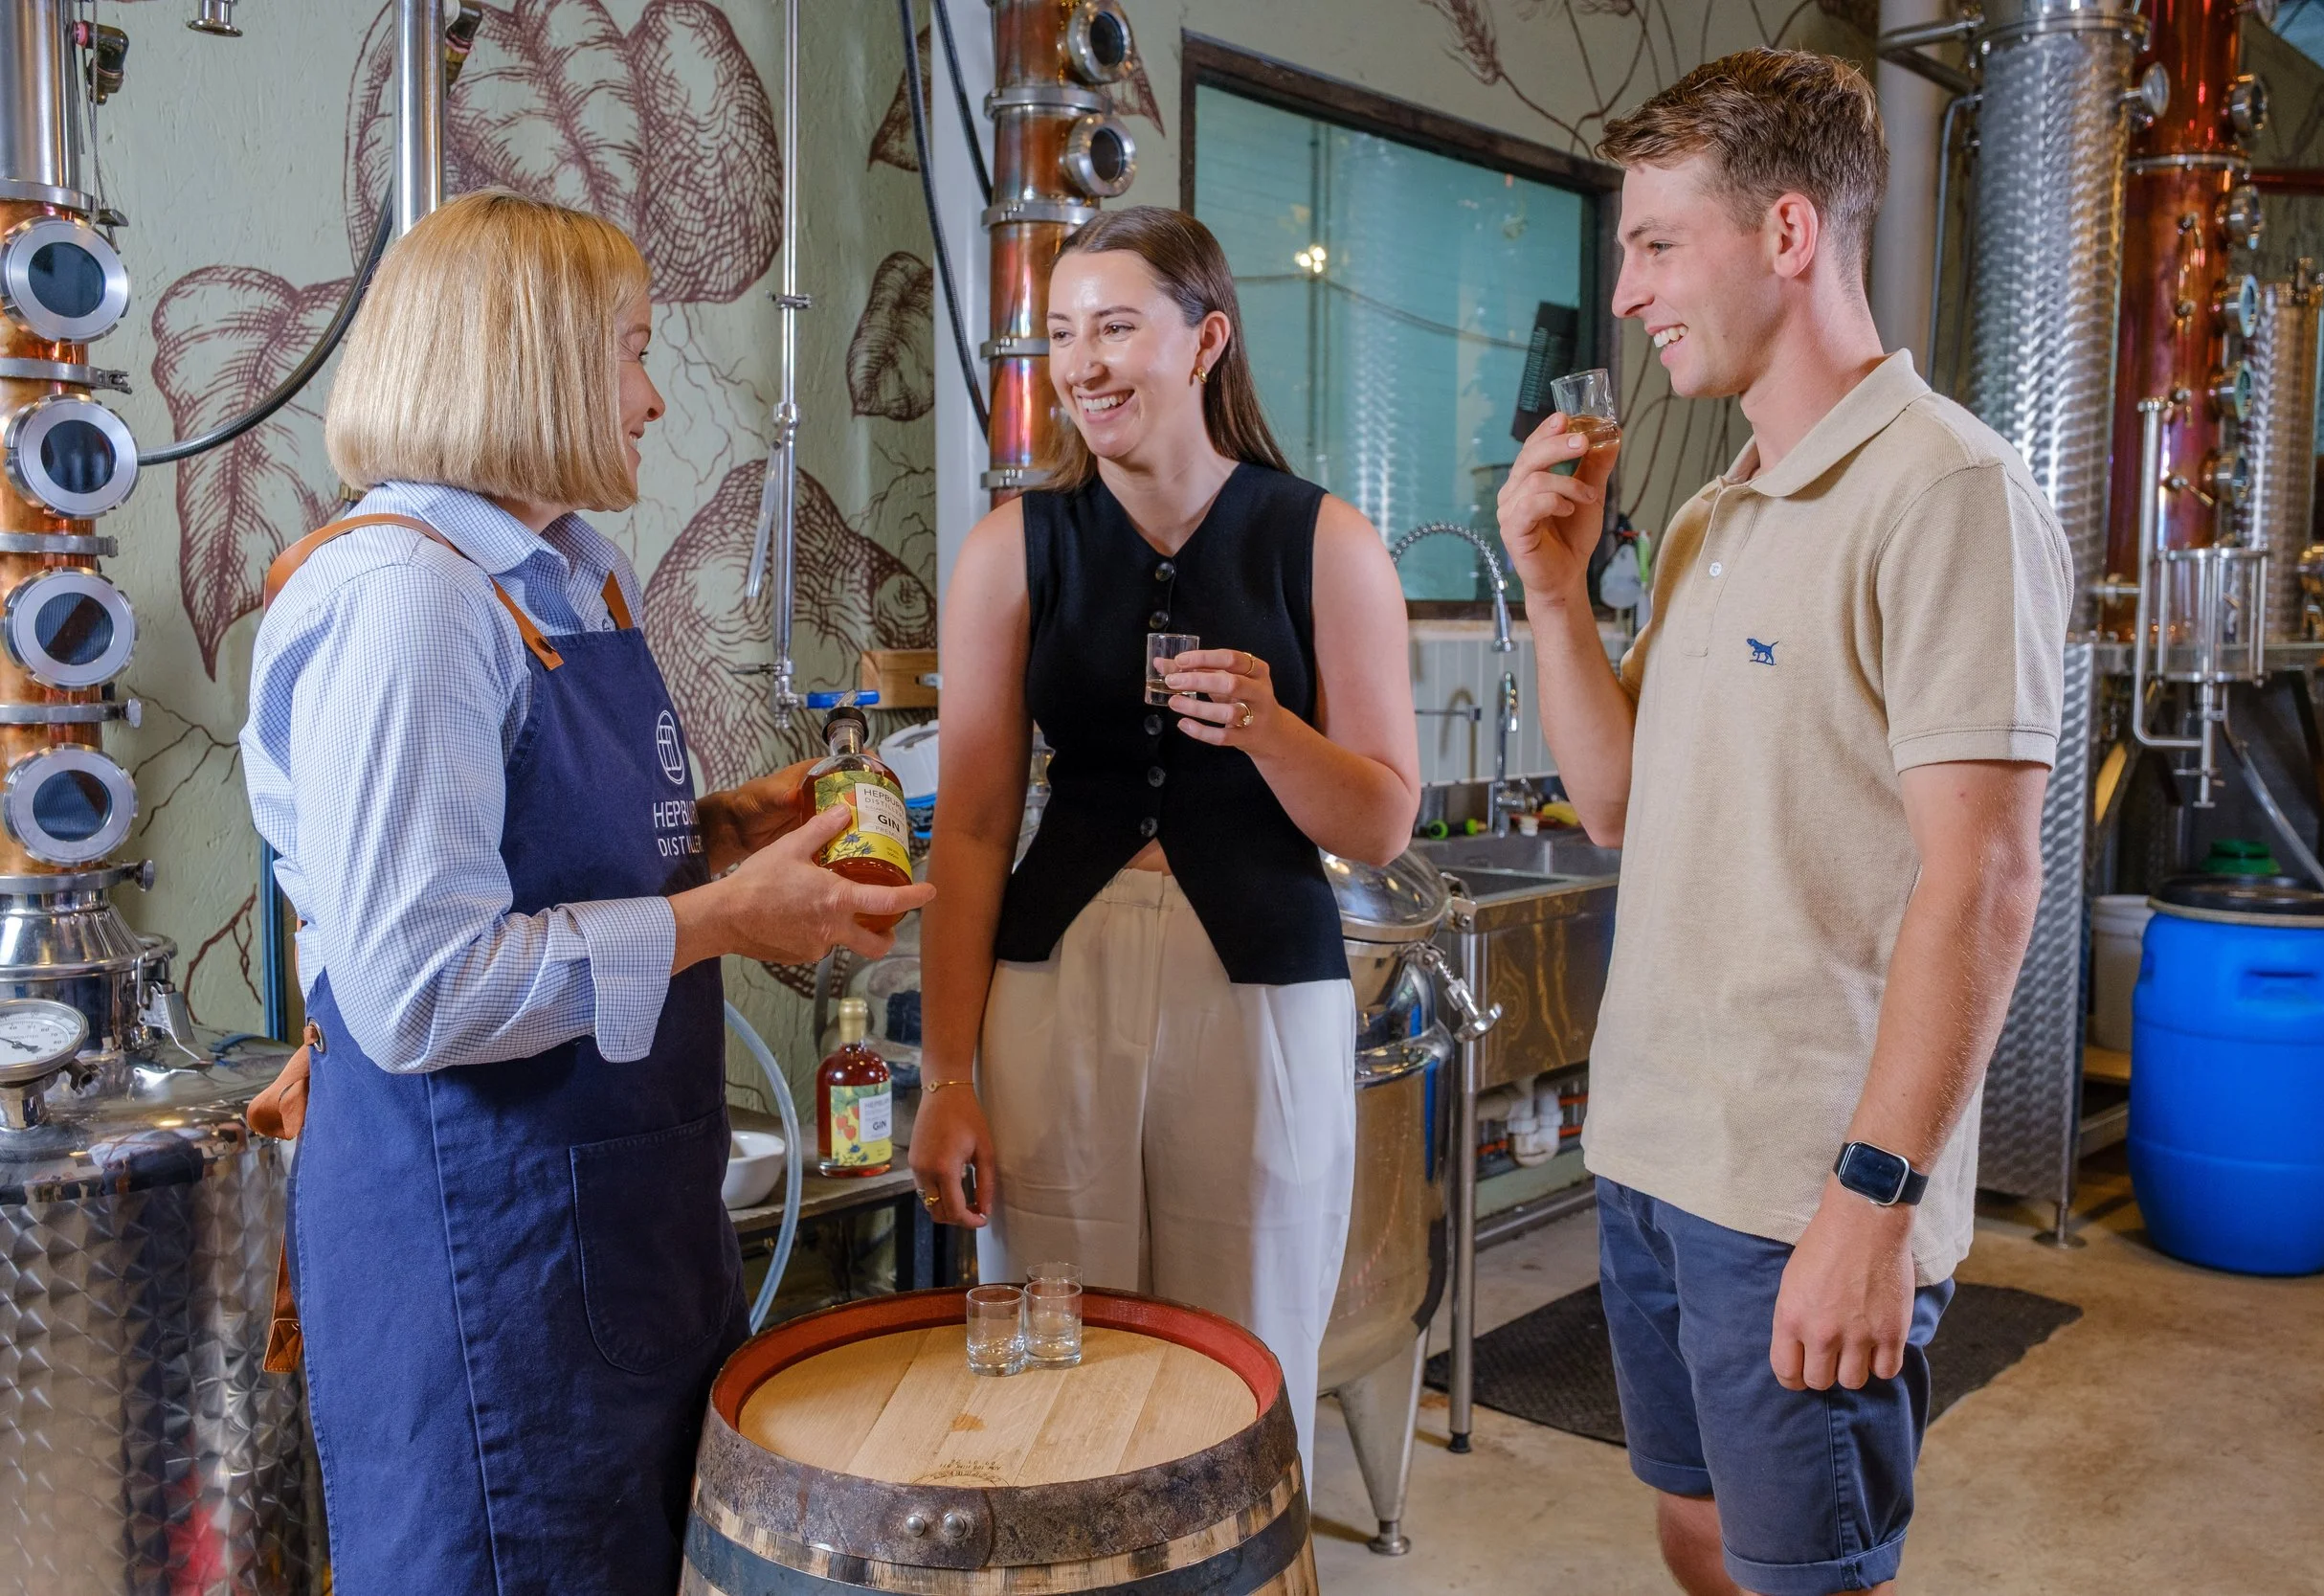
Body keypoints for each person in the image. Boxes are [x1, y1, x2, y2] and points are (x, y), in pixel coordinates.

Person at [240, 191, 933, 1596]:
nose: (653, 398)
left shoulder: (578, 581)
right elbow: (421, 987)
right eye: (629, 350)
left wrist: (727, 835)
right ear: (531, 362)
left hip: (617, 1232)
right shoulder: (409, 599)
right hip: (484, 1257)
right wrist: (723, 919)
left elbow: (563, 860)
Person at [1496, 53, 2067, 1596]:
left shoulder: (1947, 493)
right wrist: (1553, 594)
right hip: (1655, 1148)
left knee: (1812, 1576)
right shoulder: (1710, 513)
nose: (1625, 292)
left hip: (1802, 1178)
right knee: (1697, 1535)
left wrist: (1871, 1203)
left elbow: (1989, 879)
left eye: (1657, 244)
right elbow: (1616, 803)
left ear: (1792, 235)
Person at [911, 206, 1419, 1472]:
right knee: (1055, 1321)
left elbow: (1383, 816)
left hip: (1260, 988)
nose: (1081, 363)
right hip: (1050, 984)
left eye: (1117, 327)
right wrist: (946, 1074)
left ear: (1205, 344)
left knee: (1246, 1335)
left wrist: (1268, 730)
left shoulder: (1326, 541)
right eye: (1061, 335)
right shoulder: (1011, 549)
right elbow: (972, 832)